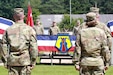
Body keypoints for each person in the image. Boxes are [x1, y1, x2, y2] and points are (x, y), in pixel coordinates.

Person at [1, 8, 38, 75]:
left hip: (12, 61)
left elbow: (3, 46)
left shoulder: (8, 30)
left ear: (14, 16)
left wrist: (5, 60)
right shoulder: (29, 30)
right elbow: (34, 47)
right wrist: (33, 61)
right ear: (23, 16)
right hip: (25, 61)